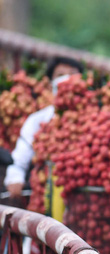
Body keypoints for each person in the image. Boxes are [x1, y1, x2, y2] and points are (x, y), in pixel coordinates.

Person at [5, 56, 84, 199]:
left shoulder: (93, 118)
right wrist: (15, 179)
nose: (67, 79)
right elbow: (19, 160)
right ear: (49, 83)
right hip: (47, 194)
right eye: (60, 75)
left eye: (72, 74)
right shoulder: (37, 120)